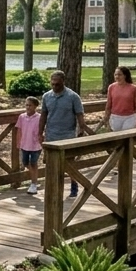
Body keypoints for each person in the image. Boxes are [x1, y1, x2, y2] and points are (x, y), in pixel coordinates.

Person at [42, 70, 86, 198]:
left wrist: (81, 128)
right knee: (50, 164)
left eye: (58, 84)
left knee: (69, 163)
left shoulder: (73, 97)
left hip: (67, 134)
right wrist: (40, 132)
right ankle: (53, 188)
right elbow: (43, 114)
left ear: (63, 82)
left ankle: (74, 184)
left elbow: (79, 114)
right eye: (53, 84)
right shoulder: (46, 96)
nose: (55, 86)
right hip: (51, 134)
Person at [16, 97, 44, 195]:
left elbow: (43, 130)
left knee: (33, 163)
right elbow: (19, 130)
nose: (28, 107)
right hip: (25, 144)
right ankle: (34, 176)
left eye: (30, 105)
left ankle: (34, 183)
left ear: (35, 106)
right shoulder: (22, 117)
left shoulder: (39, 117)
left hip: (35, 144)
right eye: (26, 105)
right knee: (25, 162)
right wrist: (18, 142)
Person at [106, 66, 136, 132]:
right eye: (115, 74)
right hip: (115, 116)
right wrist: (106, 116)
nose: (117, 77)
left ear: (125, 75)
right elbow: (109, 103)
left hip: (130, 117)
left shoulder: (133, 88)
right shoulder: (111, 87)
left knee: (126, 136)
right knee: (116, 136)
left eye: (119, 75)